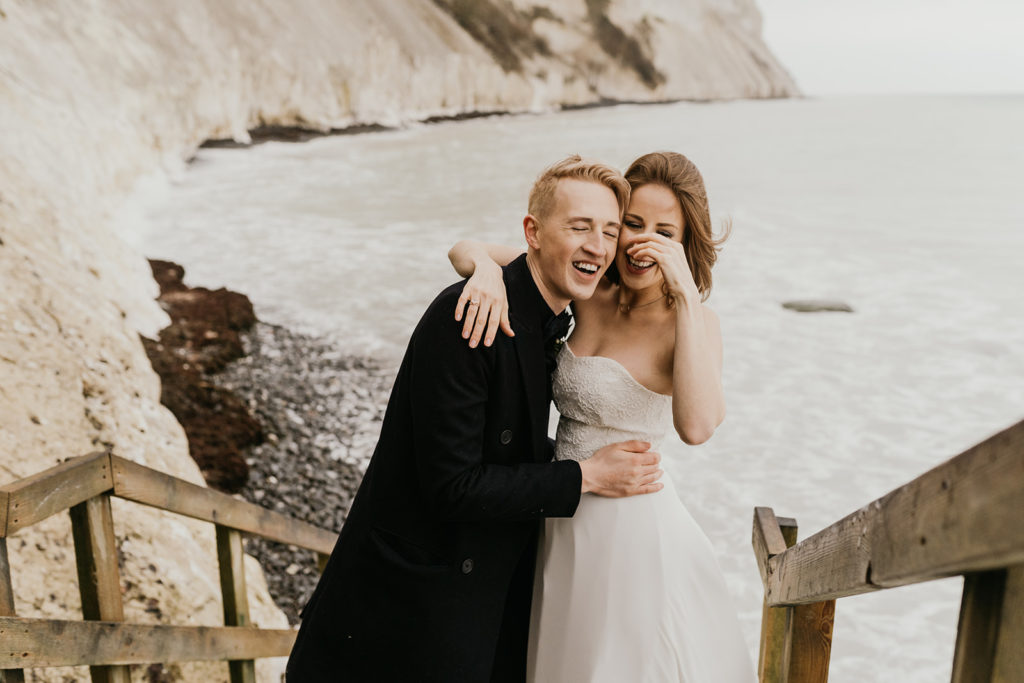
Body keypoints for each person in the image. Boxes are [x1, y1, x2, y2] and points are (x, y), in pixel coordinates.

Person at [286, 155, 667, 683]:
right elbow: (453, 486)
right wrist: (587, 476)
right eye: (579, 227)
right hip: (397, 616)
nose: (598, 247)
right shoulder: (470, 314)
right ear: (533, 232)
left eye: (608, 230)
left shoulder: (552, 312)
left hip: (468, 606)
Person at [448, 151, 756, 681]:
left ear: (686, 243)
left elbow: (698, 427)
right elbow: (464, 249)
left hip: (631, 530)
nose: (643, 243)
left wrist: (684, 295)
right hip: (557, 512)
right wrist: (486, 276)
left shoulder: (697, 322)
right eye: (632, 224)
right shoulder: (591, 293)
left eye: (665, 231)